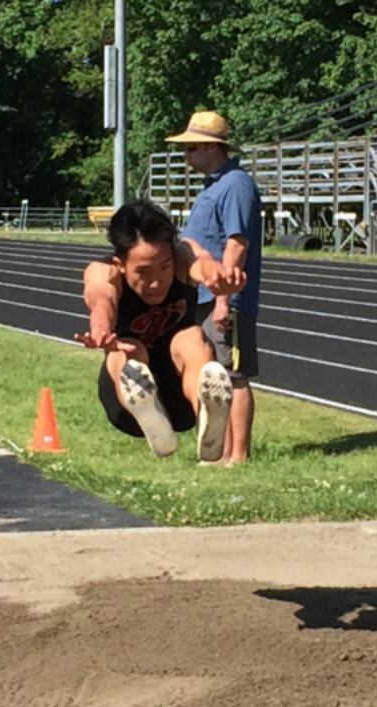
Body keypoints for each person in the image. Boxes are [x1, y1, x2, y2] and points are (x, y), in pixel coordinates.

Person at [76, 199, 242, 461]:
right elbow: (101, 296)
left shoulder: (182, 254)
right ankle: (149, 411)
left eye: (164, 266)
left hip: (180, 392)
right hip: (125, 401)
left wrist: (216, 276)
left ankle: (206, 416)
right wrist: (101, 329)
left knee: (192, 338)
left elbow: (201, 262)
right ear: (121, 264)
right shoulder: (104, 271)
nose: (156, 281)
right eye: (144, 272)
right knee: (130, 349)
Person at [164, 110, 262, 465]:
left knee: (233, 375)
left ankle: (238, 456)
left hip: (226, 297)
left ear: (211, 147)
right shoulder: (216, 186)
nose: (186, 157)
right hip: (205, 294)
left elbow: (236, 245)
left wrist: (224, 300)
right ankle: (222, 451)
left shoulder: (235, 186)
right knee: (217, 373)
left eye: (191, 149)